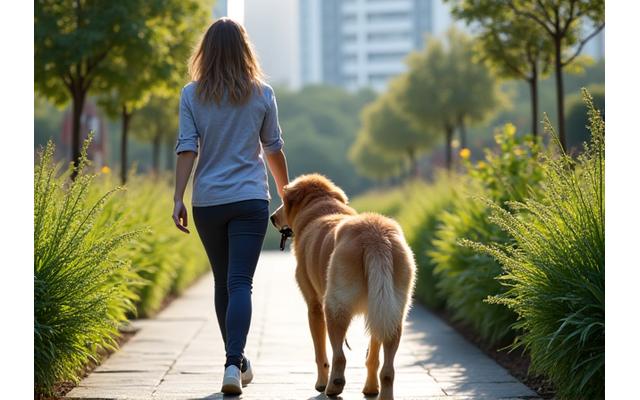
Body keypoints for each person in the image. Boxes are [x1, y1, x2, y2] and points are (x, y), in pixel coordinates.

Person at [171, 17, 289, 395]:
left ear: (205, 52)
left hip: (209, 201)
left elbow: (187, 147)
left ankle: (233, 363)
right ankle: (234, 363)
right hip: (251, 199)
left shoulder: (192, 94)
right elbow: (273, 150)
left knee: (224, 282)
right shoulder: (262, 94)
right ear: (244, 50)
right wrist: (288, 199)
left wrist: (177, 197)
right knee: (240, 283)